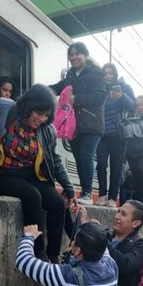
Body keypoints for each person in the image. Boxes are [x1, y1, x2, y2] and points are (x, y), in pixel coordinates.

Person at [0, 84, 75, 262]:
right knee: (32, 196)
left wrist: (69, 190)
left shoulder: (47, 130)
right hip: (1, 174)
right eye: (39, 113)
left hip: (31, 176)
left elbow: (55, 161)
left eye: (46, 115)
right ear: (29, 106)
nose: (41, 119)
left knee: (56, 202)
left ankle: (53, 255)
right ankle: (38, 253)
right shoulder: (4, 108)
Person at [50, 42, 106, 205]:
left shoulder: (96, 73)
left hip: (92, 124)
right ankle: (84, 191)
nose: (74, 57)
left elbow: (100, 96)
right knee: (78, 158)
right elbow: (59, 88)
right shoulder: (70, 75)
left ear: (85, 55)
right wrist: (41, 90)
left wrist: (78, 99)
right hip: (74, 125)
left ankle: (87, 193)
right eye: (71, 55)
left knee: (86, 156)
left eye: (77, 54)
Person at [95, 63, 136, 207]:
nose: (107, 76)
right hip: (101, 133)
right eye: (105, 73)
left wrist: (121, 96)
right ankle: (101, 195)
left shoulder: (124, 87)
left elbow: (133, 106)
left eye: (110, 73)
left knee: (116, 167)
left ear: (115, 74)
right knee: (100, 164)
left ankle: (112, 198)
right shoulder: (100, 89)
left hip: (118, 134)